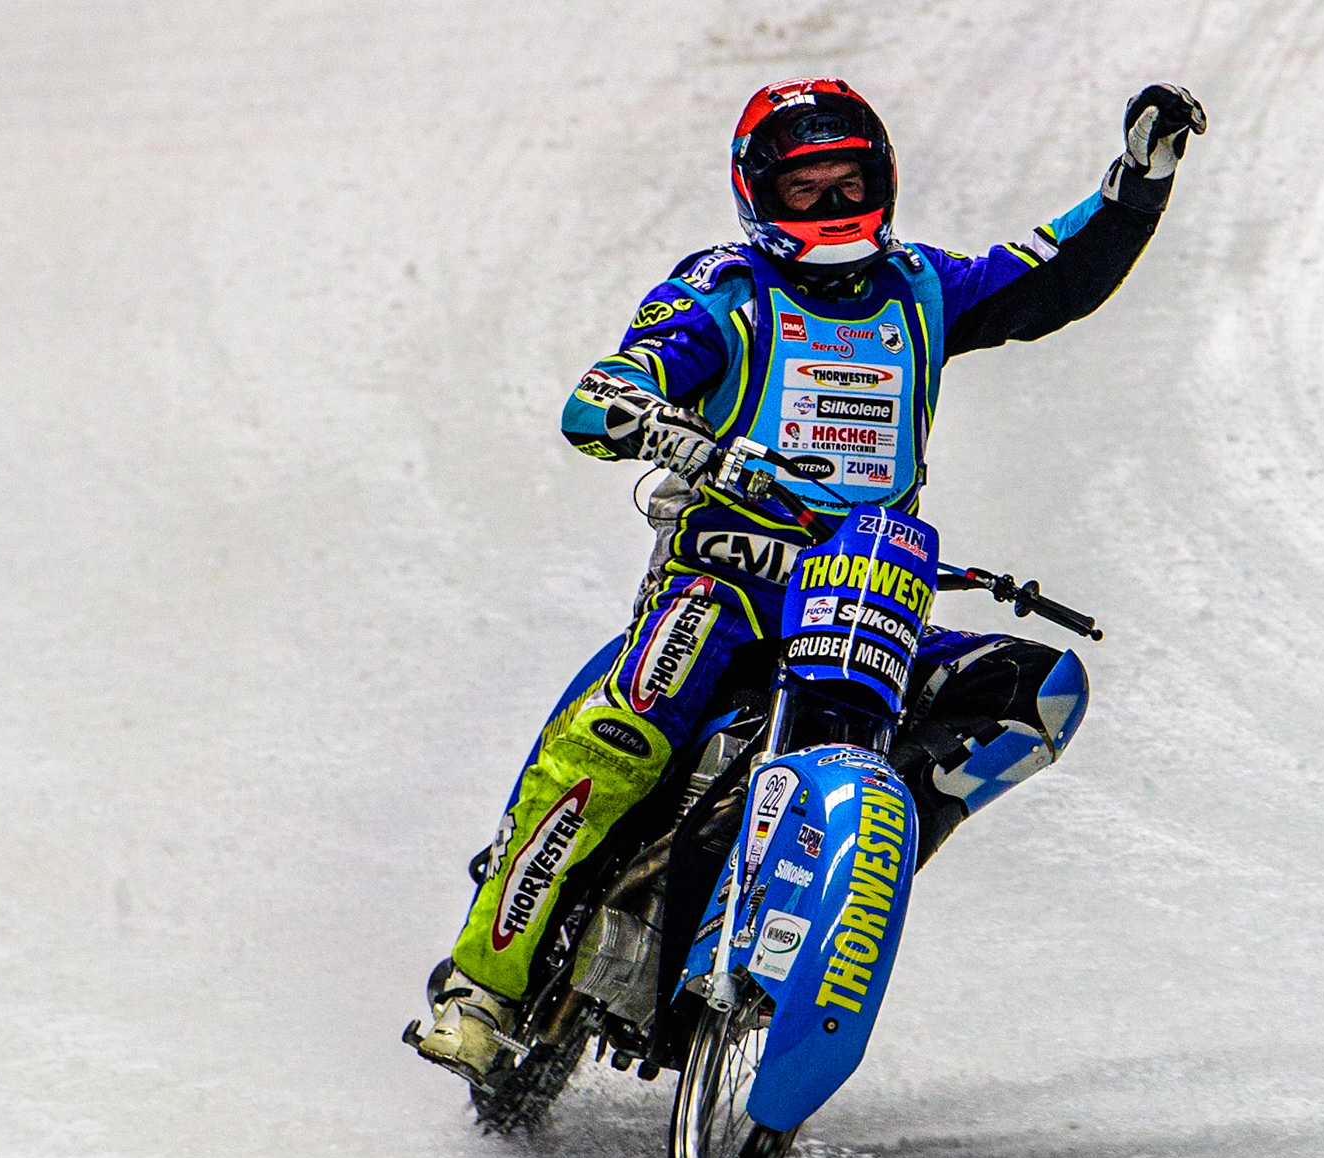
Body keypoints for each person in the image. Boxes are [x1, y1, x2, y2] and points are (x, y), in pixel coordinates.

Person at [415, 77, 1205, 1085]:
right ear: (760, 195)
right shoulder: (723, 288)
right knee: (625, 727)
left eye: (849, 182)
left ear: (883, 181)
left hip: (868, 595)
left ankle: (865, 853)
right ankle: (479, 988)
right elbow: (604, 391)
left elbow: (1050, 279)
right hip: (722, 587)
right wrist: (677, 435)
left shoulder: (923, 284)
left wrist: (1139, 184)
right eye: (806, 187)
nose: (833, 204)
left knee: (1036, 691)